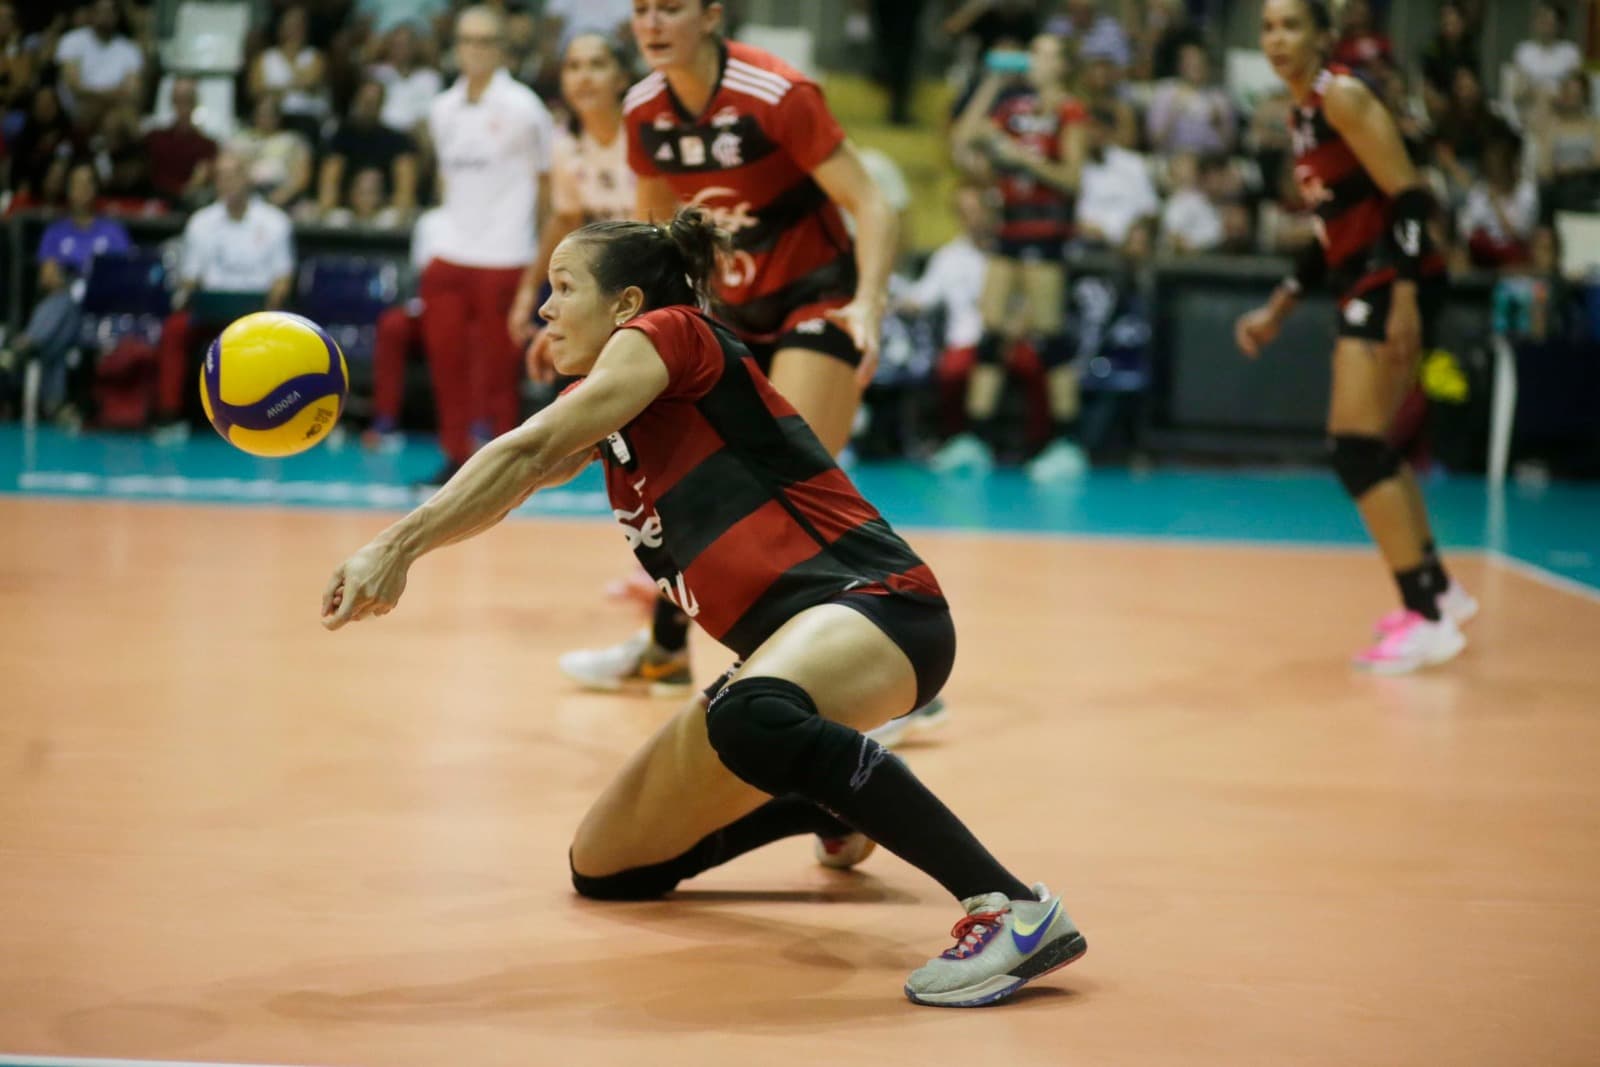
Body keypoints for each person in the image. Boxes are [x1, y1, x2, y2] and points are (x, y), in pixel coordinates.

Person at [319, 208, 1088, 1008]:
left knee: (749, 714)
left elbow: (527, 447)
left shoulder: (675, 334)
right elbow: (514, 479)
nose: (544, 308)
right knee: (609, 866)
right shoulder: (613, 419)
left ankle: (1009, 906)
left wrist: (395, 546)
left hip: (881, 607)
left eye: (562, 287)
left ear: (626, 307)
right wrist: (412, 547)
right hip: (791, 646)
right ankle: (824, 800)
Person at [555, 0, 900, 700]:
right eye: (642, 9)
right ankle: (663, 651)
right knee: (688, 480)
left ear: (711, 15)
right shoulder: (645, 107)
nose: (652, 24)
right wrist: (609, 331)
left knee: (791, 491)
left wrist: (868, 300)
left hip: (815, 297)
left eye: (672, 9)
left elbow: (873, 202)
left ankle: (888, 659)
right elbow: (652, 236)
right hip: (728, 311)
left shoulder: (777, 93)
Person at [1235, 0, 1476, 673]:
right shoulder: (1303, 113)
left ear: (1322, 36)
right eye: (1268, 28)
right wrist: (1280, 304)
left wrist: (1403, 297)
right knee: (1374, 446)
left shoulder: (1340, 95)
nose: (1277, 39)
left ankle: (1427, 619)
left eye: (1291, 26)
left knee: (1357, 447)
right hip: (1366, 277)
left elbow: (1410, 196)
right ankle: (1438, 592)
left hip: (1389, 278)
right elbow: (1330, 226)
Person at [940, 32, 1087, 480]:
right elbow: (961, 146)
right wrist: (989, 86)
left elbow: (1073, 178)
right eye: (1035, 52)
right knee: (992, 327)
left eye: (1047, 53)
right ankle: (974, 439)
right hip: (1008, 227)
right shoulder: (1012, 110)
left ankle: (1066, 444)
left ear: (1063, 64)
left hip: (1045, 232)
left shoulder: (1069, 111)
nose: (1037, 61)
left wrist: (1022, 160)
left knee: (1048, 333)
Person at [420, 4, 555, 484]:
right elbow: (448, 180)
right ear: (455, 47)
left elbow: (546, 186)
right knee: (446, 362)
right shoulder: (442, 109)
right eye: (466, 40)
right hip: (451, 252)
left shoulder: (524, 109)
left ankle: (504, 469)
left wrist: (537, 256)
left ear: (501, 49)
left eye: (484, 41)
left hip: (505, 255)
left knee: (497, 371)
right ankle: (455, 456)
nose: (474, 50)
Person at [508, 32, 637, 365]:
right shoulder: (564, 144)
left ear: (622, 78)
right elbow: (565, 219)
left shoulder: (646, 132)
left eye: (597, 65)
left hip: (658, 284)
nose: (584, 77)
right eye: (573, 66)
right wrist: (527, 292)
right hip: (608, 286)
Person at [152, 152, 295, 439]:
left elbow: (283, 280)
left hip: (257, 312)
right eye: (221, 177)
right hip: (211, 310)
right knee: (175, 328)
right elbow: (191, 280)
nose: (228, 183)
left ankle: (269, 416)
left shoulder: (275, 221)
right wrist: (193, 296)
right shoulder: (200, 223)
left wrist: (270, 311)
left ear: (247, 179)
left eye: (234, 175)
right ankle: (169, 416)